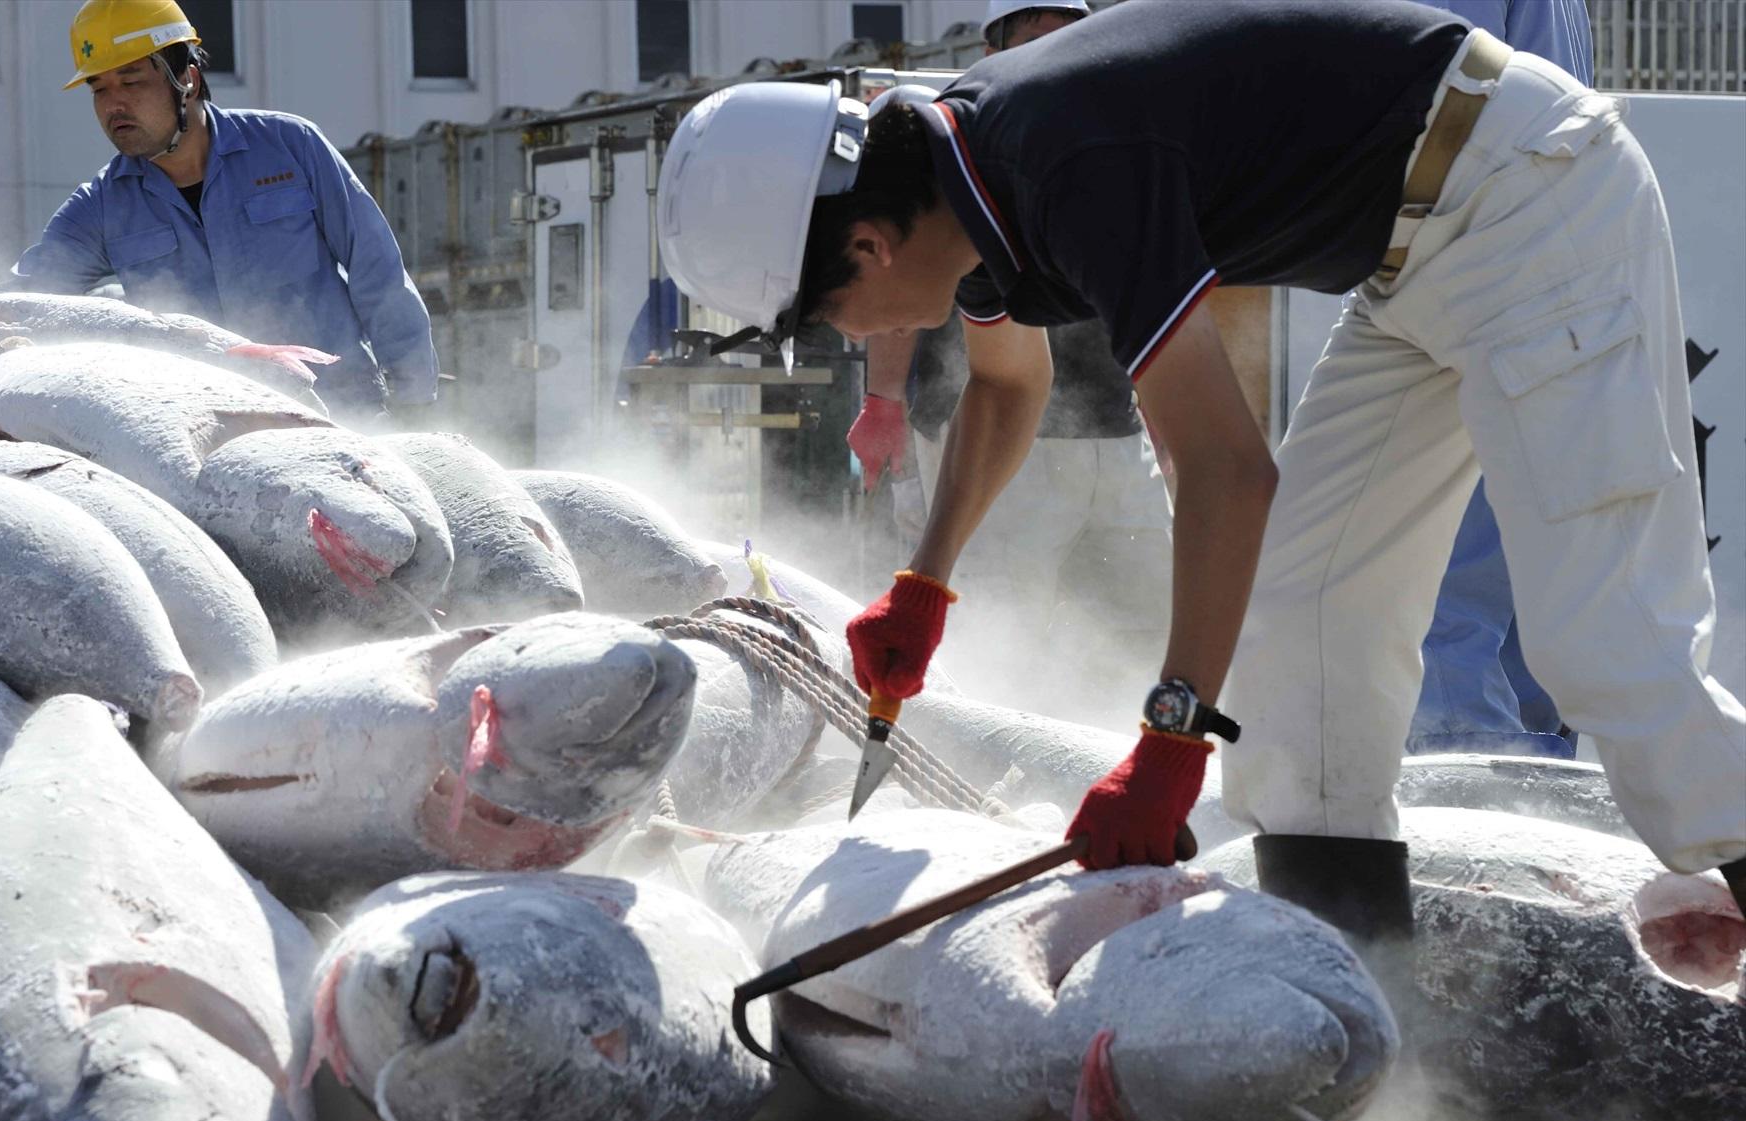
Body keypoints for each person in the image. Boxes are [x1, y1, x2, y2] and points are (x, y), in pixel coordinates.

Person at [655, 0, 1746, 954]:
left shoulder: (1068, 162)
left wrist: (1172, 739)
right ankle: (1365, 1010)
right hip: (1415, 253)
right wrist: (925, 584)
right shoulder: (964, 184)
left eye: (823, 317)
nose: (847, 339)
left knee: (1608, 642)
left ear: (868, 248)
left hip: (1530, 197)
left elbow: (1229, 475)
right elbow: (1002, 388)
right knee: (1304, 627)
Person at [848, 0, 1174, 719]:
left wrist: (1166, 421)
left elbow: (1149, 295)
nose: (1053, 51)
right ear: (995, 45)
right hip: (998, 439)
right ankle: (969, 774)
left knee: (1149, 625)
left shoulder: (1113, 134)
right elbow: (898, 284)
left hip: (1114, 434)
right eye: (1034, 34)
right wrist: (883, 401)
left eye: (1068, 32)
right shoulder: (958, 141)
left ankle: (1111, 759)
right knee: (995, 632)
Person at [4, 0, 437, 417]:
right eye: (99, 89)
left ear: (187, 79)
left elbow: (377, 272)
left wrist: (413, 401)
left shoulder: (291, 147)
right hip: (214, 436)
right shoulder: (100, 206)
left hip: (344, 416)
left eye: (131, 81)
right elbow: (22, 302)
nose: (113, 104)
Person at [1406, 0, 1595, 760]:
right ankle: (1521, 753)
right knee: (1521, 546)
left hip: (1472, 260)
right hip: (1544, 255)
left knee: (1445, 546)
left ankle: (1470, 751)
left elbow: (1444, 107)